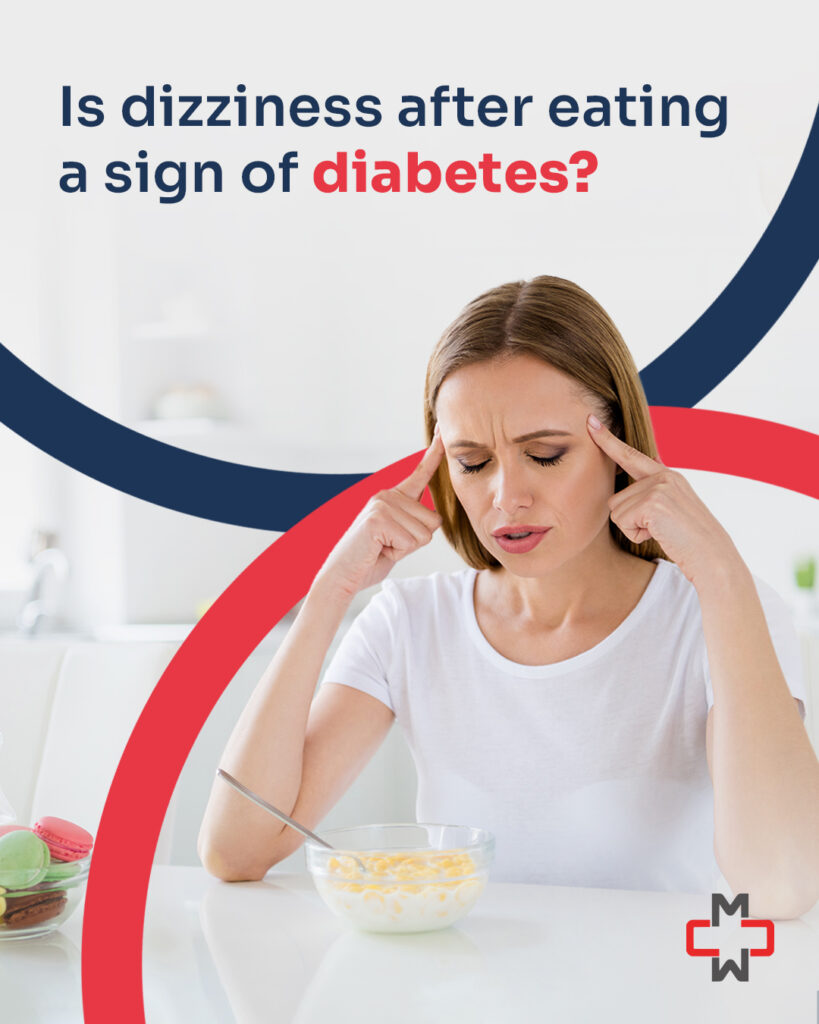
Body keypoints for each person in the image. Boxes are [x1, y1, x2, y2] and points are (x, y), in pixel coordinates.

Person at [199, 275, 819, 917]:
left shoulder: (720, 616)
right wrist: (330, 588)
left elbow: (783, 885)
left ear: (621, 448)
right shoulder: (410, 624)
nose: (506, 497)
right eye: (471, 463)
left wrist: (718, 571)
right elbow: (236, 850)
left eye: (545, 454)